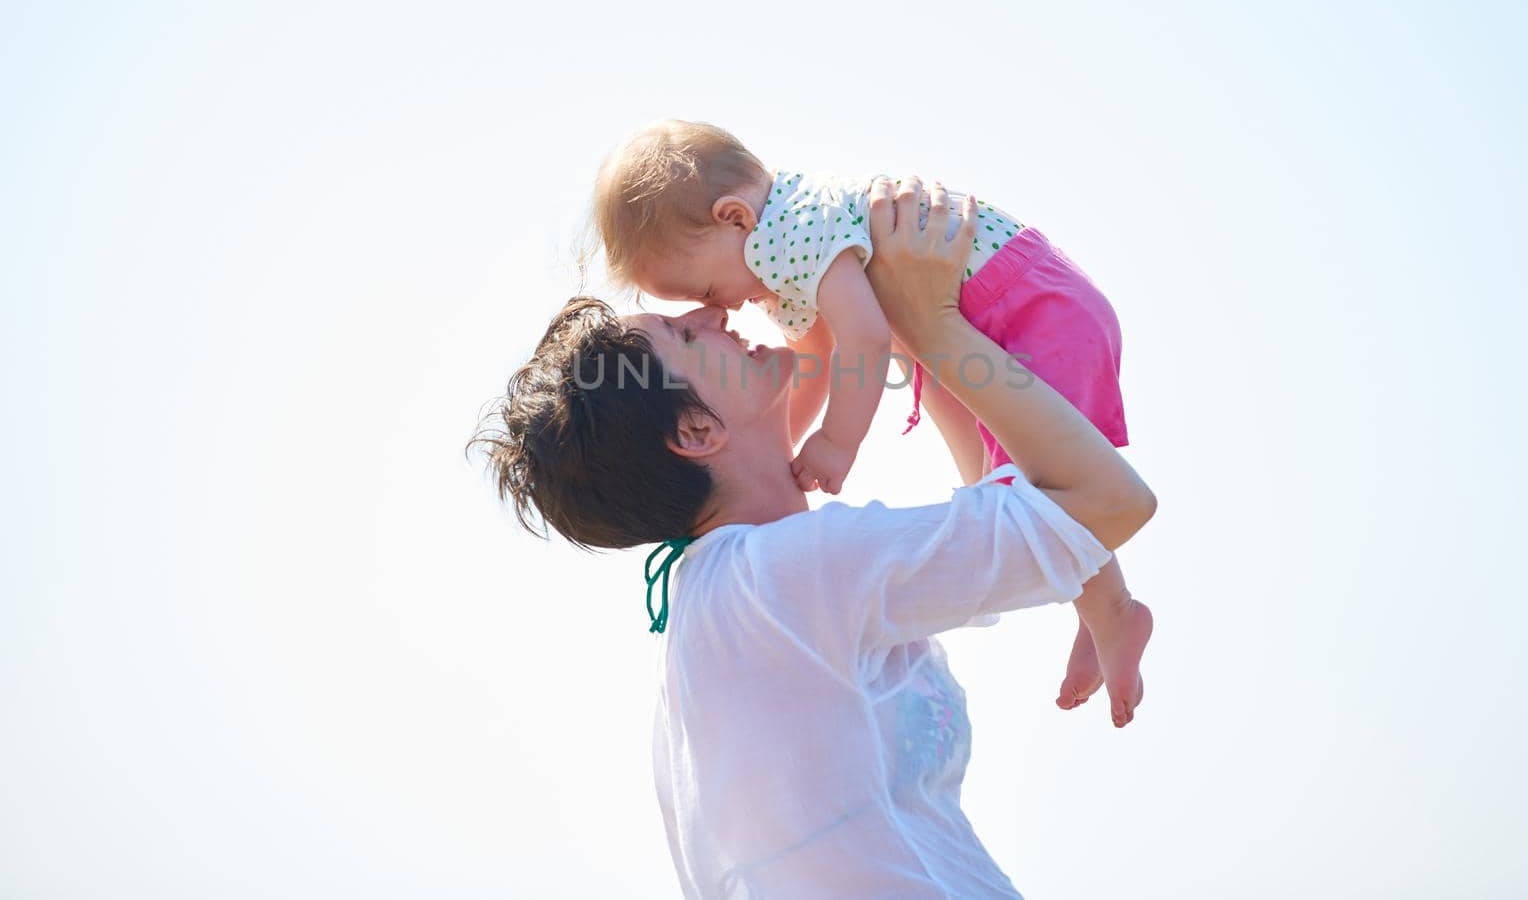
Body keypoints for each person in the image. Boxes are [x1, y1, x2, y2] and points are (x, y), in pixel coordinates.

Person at [472, 179, 1157, 897]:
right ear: (696, 432)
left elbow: (1014, 503)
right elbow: (1107, 502)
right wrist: (935, 325)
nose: (708, 312)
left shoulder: (743, 592)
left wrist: (912, 329)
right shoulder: (773, 578)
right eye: (679, 335)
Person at [589, 119, 1149, 723]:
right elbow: (812, 359)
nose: (717, 309)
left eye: (703, 287)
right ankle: (1098, 606)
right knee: (1004, 490)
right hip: (992, 314)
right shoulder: (776, 252)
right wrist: (790, 445)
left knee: (1037, 490)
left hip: (1028, 308)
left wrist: (836, 442)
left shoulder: (793, 235)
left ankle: (1112, 611)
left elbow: (864, 339)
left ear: (734, 218)